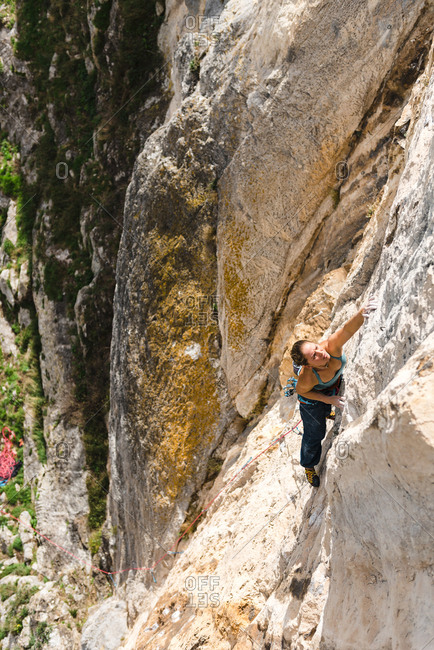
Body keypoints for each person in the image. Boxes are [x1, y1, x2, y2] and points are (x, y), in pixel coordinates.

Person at [290, 296, 378, 487]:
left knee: (329, 401)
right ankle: (308, 465)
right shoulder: (308, 378)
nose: (320, 352)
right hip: (311, 399)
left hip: (330, 384)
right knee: (315, 432)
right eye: (314, 355)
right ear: (308, 365)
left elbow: (347, 329)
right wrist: (328, 400)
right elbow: (304, 393)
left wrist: (361, 312)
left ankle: (326, 409)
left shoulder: (330, 346)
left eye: (315, 347)